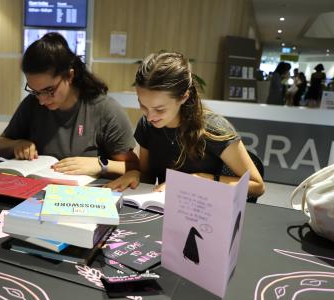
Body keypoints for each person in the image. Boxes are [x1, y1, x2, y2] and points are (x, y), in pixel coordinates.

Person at [106, 52, 265, 198]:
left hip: (203, 210)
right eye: (143, 106)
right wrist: (135, 174)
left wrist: (199, 180)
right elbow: (148, 176)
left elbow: (257, 186)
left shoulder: (213, 129)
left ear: (183, 97)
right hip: (163, 206)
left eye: (160, 109)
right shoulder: (147, 125)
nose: (150, 117)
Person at [0, 32, 138, 177]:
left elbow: (134, 167)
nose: (42, 100)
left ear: (70, 76)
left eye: (49, 90)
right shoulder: (32, 104)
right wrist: (17, 145)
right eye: (35, 91)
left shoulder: (105, 110)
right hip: (38, 191)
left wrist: (100, 164)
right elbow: (1, 144)